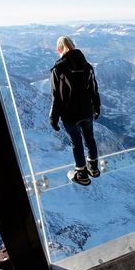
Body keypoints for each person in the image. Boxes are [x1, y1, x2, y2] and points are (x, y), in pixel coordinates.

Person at [49, 36, 101, 186]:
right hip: (86, 111)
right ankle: (94, 169)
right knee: (90, 139)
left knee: (76, 143)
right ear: (73, 46)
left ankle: (82, 175)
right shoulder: (87, 66)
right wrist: (97, 107)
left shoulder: (58, 69)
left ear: (59, 49)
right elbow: (94, 90)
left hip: (70, 114)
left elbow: (56, 96)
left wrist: (54, 117)